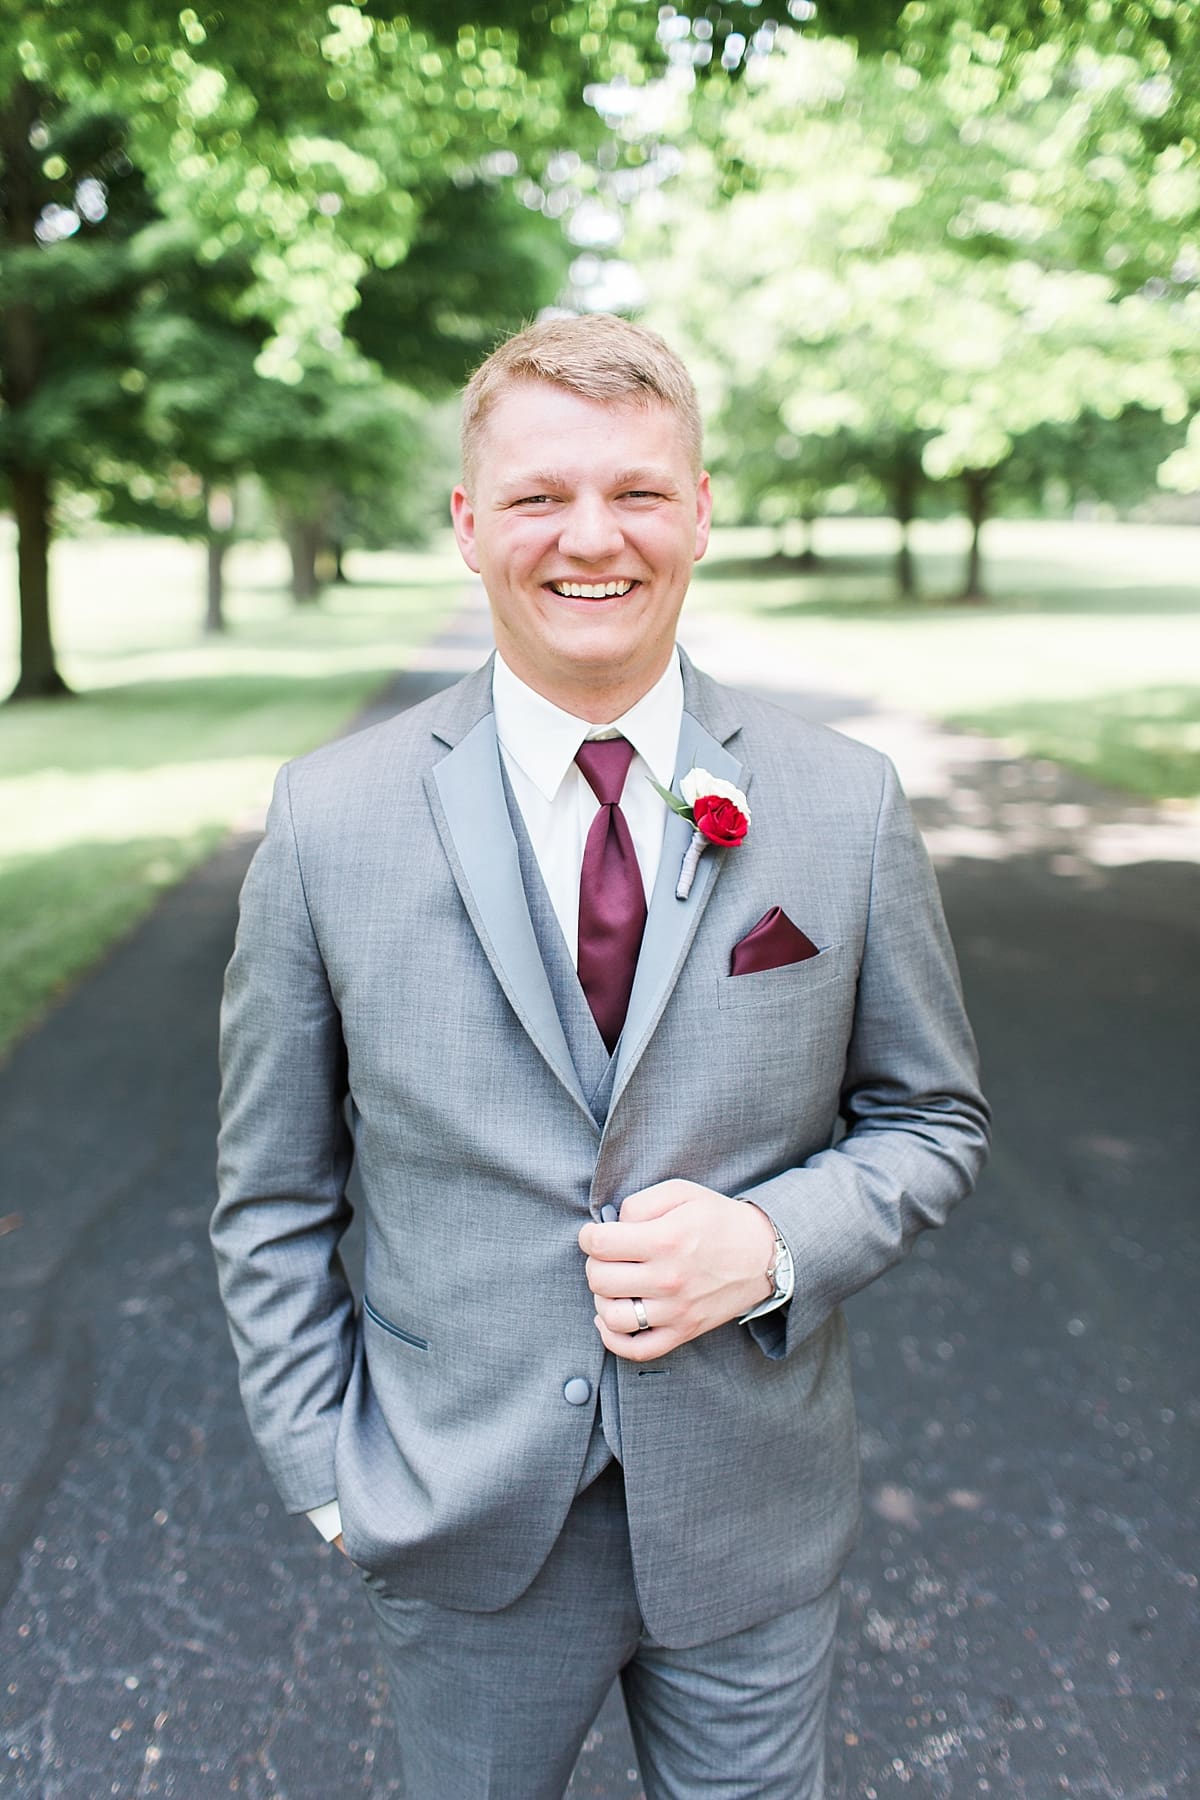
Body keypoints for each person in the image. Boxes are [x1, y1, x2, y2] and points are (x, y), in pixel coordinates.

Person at [212, 312, 989, 1799]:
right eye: (537, 496)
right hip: (458, 1519)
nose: (592, 538)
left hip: (750, 1515)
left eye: (637, 491)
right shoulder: (328, 820)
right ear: (467, 523)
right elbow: (271, 1192)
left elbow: (931, 1118)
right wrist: (327, 1478)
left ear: (700, 508)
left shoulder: (842, 803)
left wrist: (769, 1239)